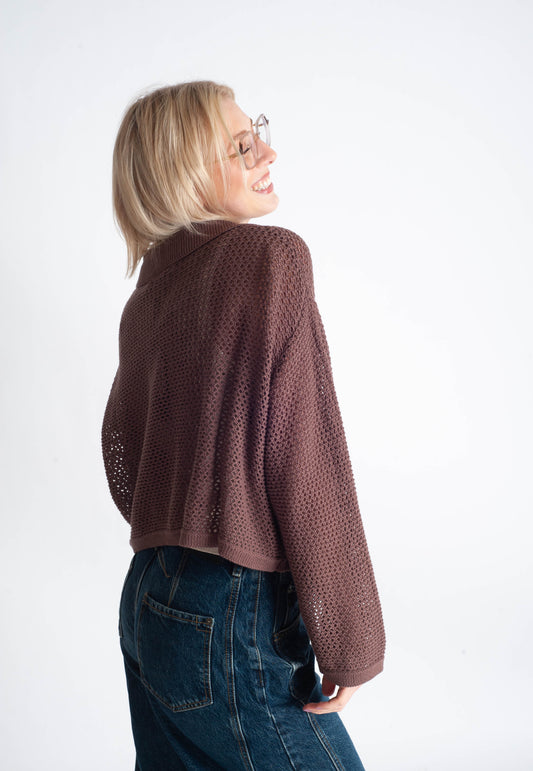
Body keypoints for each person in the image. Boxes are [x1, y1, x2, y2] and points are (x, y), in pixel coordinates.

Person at [102, 80, 386, 770]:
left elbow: (122, 454)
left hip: (147, 595)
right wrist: (349, 634)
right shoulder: (269, 258)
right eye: (240, 144)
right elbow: (305, 458)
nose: (268, 150)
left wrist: (181, 513)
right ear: (183, 171)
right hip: (231, 606)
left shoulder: (146, 296)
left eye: (255, 131)